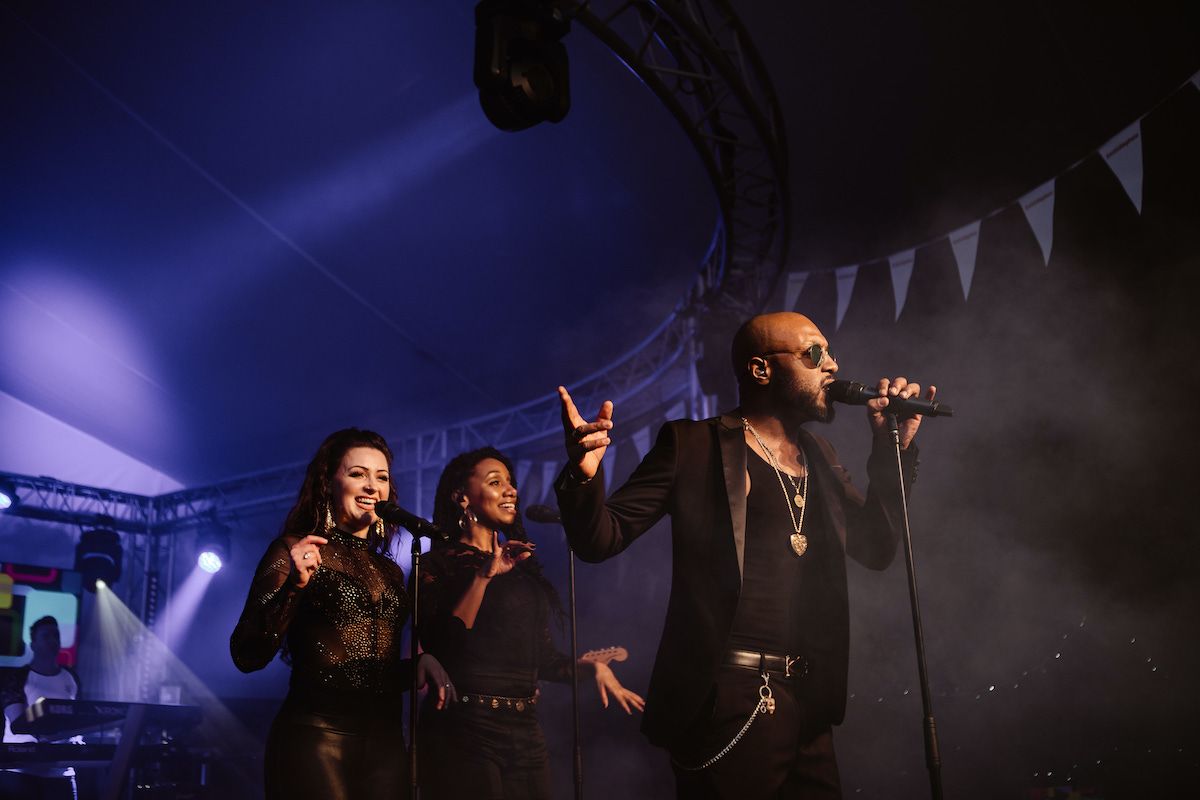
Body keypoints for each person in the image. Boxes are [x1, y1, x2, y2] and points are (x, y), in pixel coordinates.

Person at [554, 312, 935, 799]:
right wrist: (584, 476)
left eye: (831, 352)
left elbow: (877, 548)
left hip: (809, 703)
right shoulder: (692, 445)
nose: (833, 365)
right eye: (815, 354)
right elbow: (599, 540)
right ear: (761, 370)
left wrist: (891, 450)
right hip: (729, 698)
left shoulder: (820, 454)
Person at [230, 427, 454, 800]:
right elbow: (246, 653)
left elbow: (372, 669)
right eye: (357, 474)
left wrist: (417, 663)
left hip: (385, 742)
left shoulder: (391, 570)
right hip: (316, 737)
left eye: (381, 477)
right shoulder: (296, 549)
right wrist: (294, 587)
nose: (371, 486)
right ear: (328, 484)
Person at [416, 446, 644, 800]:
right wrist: (483, 576)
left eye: (510, 482)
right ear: (461, 497)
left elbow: (544, 660)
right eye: (495, 482)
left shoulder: (522, 572)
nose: (511, 490)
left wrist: (589, 670)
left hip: (525, 732)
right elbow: (442, 647)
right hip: (464, 729)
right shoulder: (437, 565)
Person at [0, 616, 81, 800]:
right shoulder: (18, 677)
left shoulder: (71, 678)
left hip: (62, 772)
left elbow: (78, 717)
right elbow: (19, 724)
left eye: (56, 635)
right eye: (46, 636)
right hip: (21, 772)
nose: (53, 640)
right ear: (33, 644)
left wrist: (78, 738)